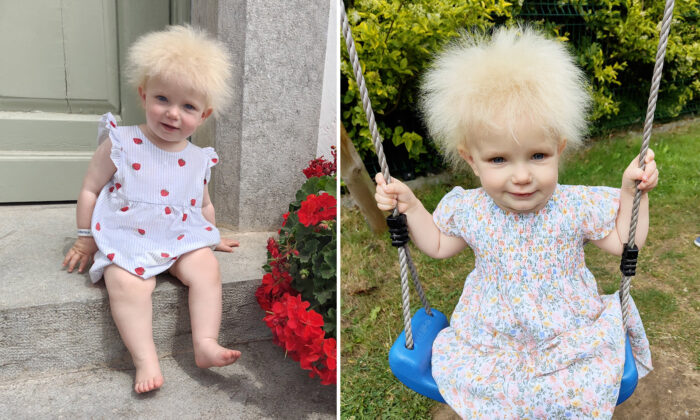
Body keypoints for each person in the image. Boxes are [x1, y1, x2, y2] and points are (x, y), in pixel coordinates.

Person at [375, 26, 658, 418]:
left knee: (577, 387)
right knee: (485, 382)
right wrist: (410, 207)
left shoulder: (573, 205)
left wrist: (632, 194)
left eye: (538, 156)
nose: (521, 175)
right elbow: (438, 245)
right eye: (499, 160)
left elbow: (625, 244)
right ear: (471, 160)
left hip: (567, 334)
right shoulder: (470, 209)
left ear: (559, 148)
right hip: (492, 337)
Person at [62, 25, 241, 394]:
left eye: (188, 106)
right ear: (144, 94)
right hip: (127, 235)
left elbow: (202, 203)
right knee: (126, 284)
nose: (173, 113)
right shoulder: (122, 142)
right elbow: (91, 189)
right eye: (163, 99)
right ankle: (145, 358)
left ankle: (205, 343)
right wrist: (84, 239)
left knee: (206, 269)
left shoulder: (198, 158)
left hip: (178, 236)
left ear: (204, 115)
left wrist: (211, 237)